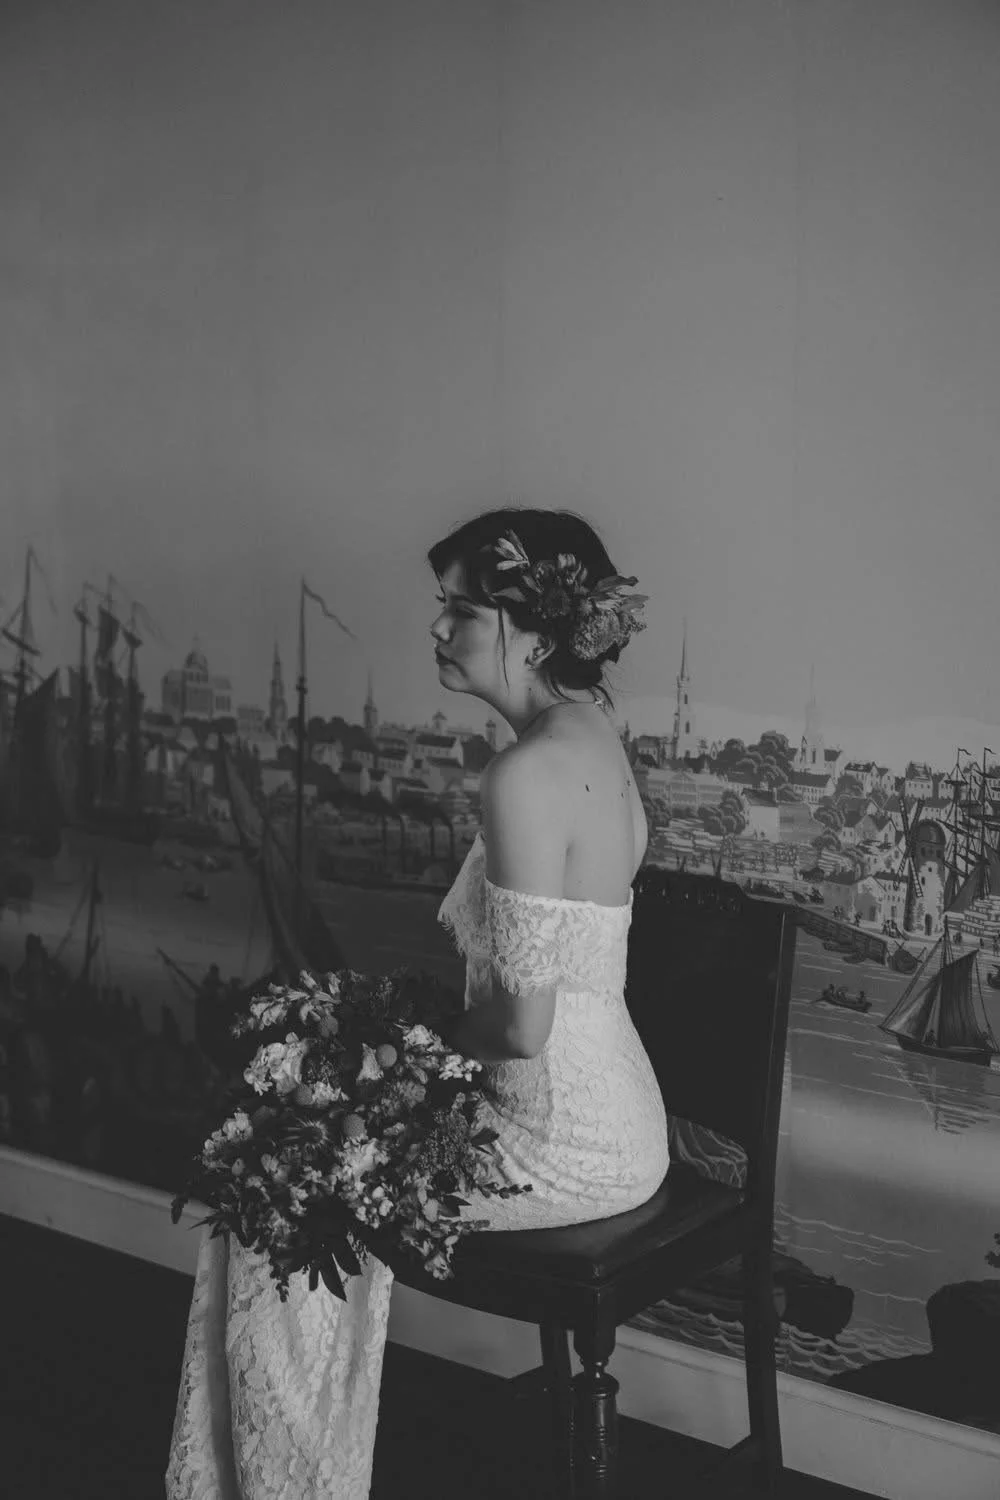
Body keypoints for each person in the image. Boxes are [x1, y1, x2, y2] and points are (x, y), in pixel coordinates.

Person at [166, 508, 669, 1499]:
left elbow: (521, 1027)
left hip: (554, 1137)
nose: (436, 631)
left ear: (528, 626)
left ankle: (279, 1480)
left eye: (458, 611)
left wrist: (378, 1052)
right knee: (286, 1141)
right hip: (614, 1114)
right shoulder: (593, 731)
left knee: (275, 1182)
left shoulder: (525, 773)